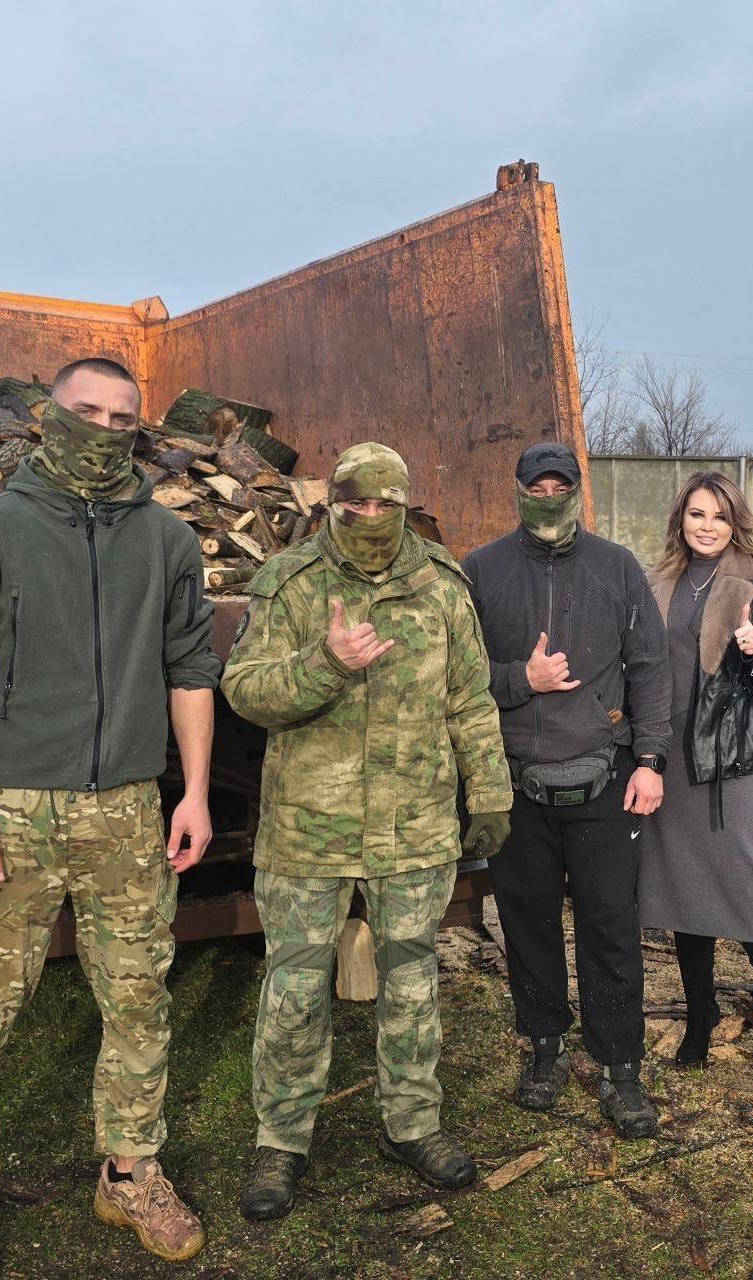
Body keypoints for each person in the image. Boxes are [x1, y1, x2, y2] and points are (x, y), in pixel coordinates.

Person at [0, 358, 220, 1279]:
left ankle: (130, 1171)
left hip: (127, 810)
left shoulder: (166, 540)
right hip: (10, 810)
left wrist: (193, 790)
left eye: (124, 416)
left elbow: (189, 668)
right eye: (87, 410)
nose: (105, 427)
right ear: (48, 417)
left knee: (137, 1000)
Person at [221, 442, 512, 1222]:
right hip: (308, 831)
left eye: (386, 503)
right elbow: (244, 690)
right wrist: (326, 662)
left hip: (414, 827)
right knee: (294, 988)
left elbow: (471, 700)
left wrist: (490, 790)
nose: (370, 515)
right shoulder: (291, 582)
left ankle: (412, 1123)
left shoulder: (440, 583)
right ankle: (281, 1139)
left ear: (405, 501)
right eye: (356, 502)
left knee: (413, 982)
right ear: (333, 503)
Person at [461, 443, 672, 1138]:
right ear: (517, 491)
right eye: (535, 486)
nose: (547, 496)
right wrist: (523, 680)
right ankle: (544, 1049)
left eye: (560, 485)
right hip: (516, 784)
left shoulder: (616, 568)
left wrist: (649, 758)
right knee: (528, 923)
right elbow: (453, 675)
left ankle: (620, 1069)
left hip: (603, 780)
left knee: (611, 925)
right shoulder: (483, 570)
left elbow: (650, 666)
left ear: (578, 490)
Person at [639, 473, 753, 1095]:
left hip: (737, 757)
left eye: (718, 515)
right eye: (695, 515)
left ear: (736, 521)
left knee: (748, 883)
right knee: (685, 882)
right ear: (680, 520)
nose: (706, 526)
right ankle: (699, 1019)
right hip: (673, 755)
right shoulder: (659, 579)